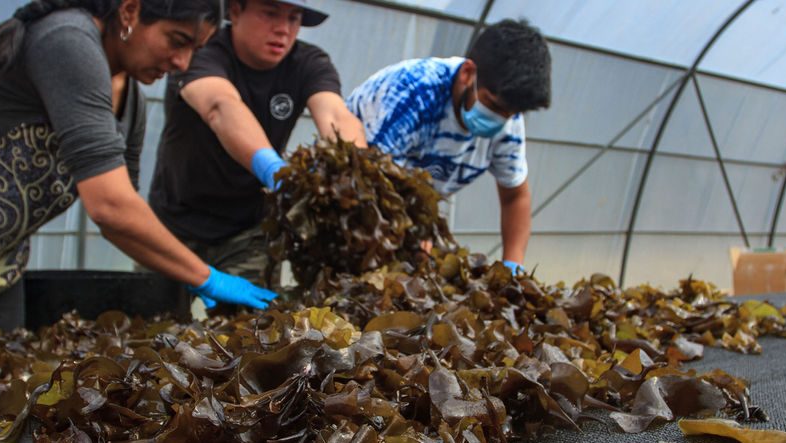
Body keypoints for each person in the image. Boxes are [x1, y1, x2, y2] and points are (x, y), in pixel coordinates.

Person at [0, 0, 276, 348]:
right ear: (130, 11)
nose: (182, 62)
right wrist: (207, 275)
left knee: (3, 362)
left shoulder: (132, 107)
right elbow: (109, 207)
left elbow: (124, 216)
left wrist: (186, 273)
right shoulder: (67, 39)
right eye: (177, 40)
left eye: (195, 51)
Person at [149, 0, 366, 308]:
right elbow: (220, 106)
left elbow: (335, 114)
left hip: (248, 230)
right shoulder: (198, 51)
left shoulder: (308, 62)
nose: (283, 28)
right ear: (235, 11)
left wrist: (357, 172)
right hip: (173, 225)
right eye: (270, 13)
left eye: (294, 18)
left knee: (251, 334)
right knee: (154, 328)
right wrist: (271, 168)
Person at [346, 19, 552, 275]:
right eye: (492, 104)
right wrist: (412, 233)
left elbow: (515, 196)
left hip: (410, 213)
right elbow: (371, 186)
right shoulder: (414, 94)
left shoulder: (509, 122)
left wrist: (512, 267)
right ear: (467, 73)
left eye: (510, 113)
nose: (499, 119)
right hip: (353, 204)